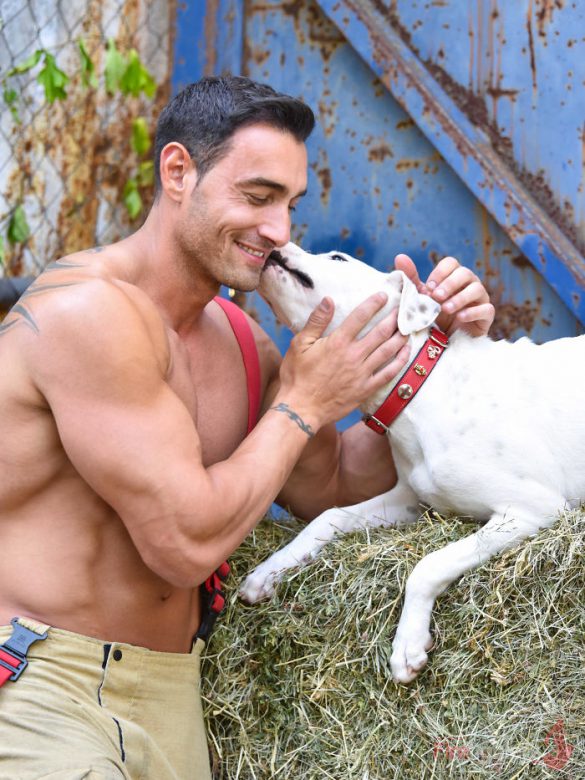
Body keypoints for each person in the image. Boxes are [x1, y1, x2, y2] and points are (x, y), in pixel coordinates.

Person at [0, 75, 494, 779]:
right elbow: (182, 545)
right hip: (43, 682)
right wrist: (303, 403)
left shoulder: (237, 340)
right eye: (257, 196)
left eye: (290, 204)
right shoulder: (88, 314)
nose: (279, 231)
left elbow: (333, 483)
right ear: (178, 172)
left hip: (170, 691)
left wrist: (433, 358)